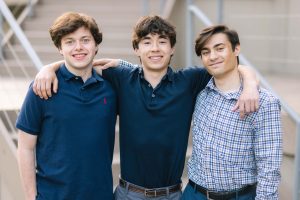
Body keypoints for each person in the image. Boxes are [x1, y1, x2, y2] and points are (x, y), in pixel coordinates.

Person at [32, 16, 259, 200]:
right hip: (128, 194)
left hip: (171, 194)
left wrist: (249, 85)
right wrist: (48, 68)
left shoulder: (189, 81)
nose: (155, 49)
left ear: (172, 49)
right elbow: (81, 61)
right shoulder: (121, 77)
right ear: (137, 49)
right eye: (147, 42)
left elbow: (231, 67)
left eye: (162, 41)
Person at [16, 12, 117, 200]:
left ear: (96, 45)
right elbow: (25, 147)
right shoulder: (42, 88)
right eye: (69, 42)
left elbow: (139, 74)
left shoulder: (111, 88)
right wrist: (31, 198)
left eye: (85, 40)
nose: (78, 47)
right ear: (60, 48)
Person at [181, 25, 282, 200]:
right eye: (206, 52)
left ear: (236, 49)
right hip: (193, 193)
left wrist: (250, 83)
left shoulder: (264, 103)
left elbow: (269, 168)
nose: (213, 57)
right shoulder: (199, 92)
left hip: (237, 196)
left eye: (220, 49)